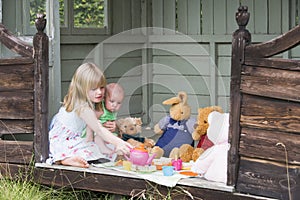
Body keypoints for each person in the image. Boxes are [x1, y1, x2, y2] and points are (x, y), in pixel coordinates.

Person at [47, 62, 132, 168]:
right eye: (94, 89)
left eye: (101, 87)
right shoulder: (82, 106)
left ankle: (71, 158)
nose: (99, 92)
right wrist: (118, 142)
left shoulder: (90, 102)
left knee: (100, 148)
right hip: (65, 140)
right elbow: (98, 129)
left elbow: (91, 131)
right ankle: (65, 159)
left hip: (77, 137)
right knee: (93, 150)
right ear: (81, 88)